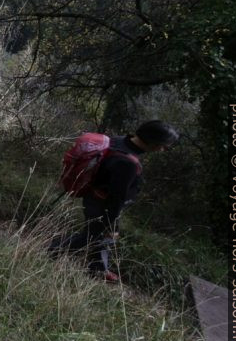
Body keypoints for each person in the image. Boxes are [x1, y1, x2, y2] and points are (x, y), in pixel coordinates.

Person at [50, 120, 179, 282]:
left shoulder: (120, 140)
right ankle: (53, 249)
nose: (163, 149)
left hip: (93, 195)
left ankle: (99, 269)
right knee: (93, 236)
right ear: (153, 142)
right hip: (101, 204)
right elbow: (116, 197)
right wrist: (111, 224)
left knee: (100, 237)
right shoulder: (128, 163)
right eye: (163, 145)